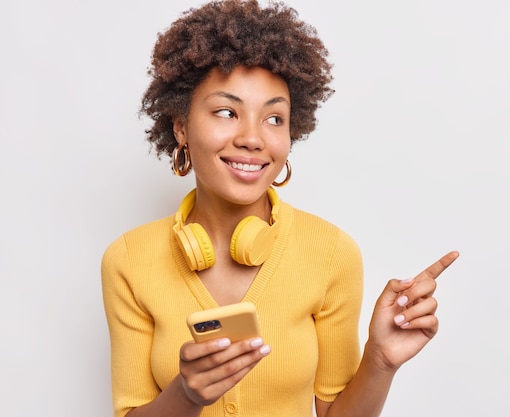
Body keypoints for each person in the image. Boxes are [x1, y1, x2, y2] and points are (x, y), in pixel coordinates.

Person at [100, 1, 459, 416]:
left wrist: (380, 360)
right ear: (181, 125)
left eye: (274, 119)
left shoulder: (331, 253)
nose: (253, 138)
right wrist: (186, 395)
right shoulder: (128, 259)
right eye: (226, 112)